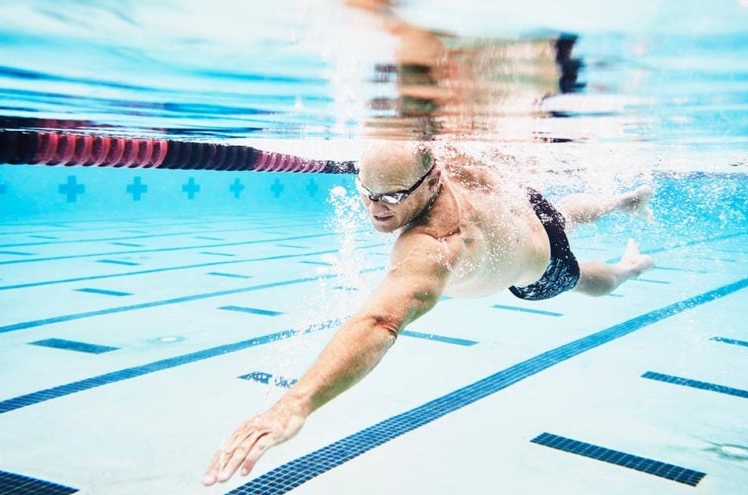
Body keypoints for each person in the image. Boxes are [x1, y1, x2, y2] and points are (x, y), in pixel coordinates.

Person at [202, 141, 654, 486]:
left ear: (433, 180)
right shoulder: (443, 158)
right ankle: (622, 201)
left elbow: (380, 322)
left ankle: (628, 268)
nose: (377, 209)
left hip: (536, 265)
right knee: (561, 213)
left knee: (582, 278)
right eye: (367, 192)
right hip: (520, 207)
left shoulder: (436, 243)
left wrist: (295, 403)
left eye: (394, 196)